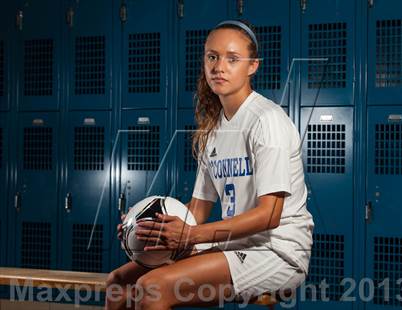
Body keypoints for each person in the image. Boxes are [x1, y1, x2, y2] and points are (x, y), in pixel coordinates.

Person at [105, 19, 314, 310]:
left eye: (232, 59)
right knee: (119, 283)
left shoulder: (267, 120)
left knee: (153, 288)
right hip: (233, 244)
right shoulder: (212, 130)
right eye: (212, 57)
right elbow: (197, 211)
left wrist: (190, 236)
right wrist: (144, 228)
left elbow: (270, 215)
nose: (219, 67)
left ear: (252, 66)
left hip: (277, 251)